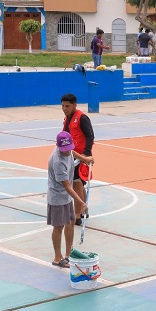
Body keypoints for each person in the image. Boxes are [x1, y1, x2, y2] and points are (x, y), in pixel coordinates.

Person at [48, 131, 88, 268]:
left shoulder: (68, 150)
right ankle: (57, 258)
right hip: (58, 197)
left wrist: (84, 158)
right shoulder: (58, 161)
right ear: (58, 146)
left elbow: (72, 154)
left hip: (66, 196)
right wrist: (81, 202)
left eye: (68, 148)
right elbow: (67, 186)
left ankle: (68, 254)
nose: (67, 152)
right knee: (58, 226)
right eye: (64, 150)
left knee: (70, 221)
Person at [61, 93, 95, 225]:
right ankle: (83, 209)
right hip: (71, 155)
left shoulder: (82, 118)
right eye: (63, 106)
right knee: (79, 184)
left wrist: (86, 155)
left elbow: (90, 136)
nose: (65, 108)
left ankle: (77, 214)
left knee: (77, 184)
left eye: (67, 106)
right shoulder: (67, 118)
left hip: (80, 157)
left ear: (75, 105)